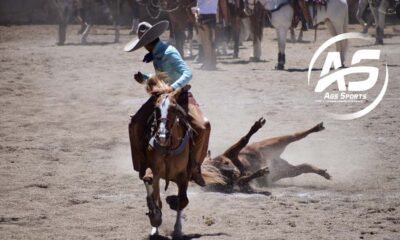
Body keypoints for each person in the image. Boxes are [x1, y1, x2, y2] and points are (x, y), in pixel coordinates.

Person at [125, 21, 211, 187]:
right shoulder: (156, 53)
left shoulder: (169, 53)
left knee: (203, 126)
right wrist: (145, 78)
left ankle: (194, 167)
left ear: (149, 43)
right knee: (135, 123)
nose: (144, 47)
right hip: (161, 96)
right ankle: (142, 164)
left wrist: (173, 88)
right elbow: (163, 76)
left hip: (180, 96)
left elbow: (187, 73)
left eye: (143, 44)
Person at [196, 0, 218, 70]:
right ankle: (213, 61)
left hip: (202, 14)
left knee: (205, 41)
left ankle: (208, 63)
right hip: (213, 14)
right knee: (211, 40)